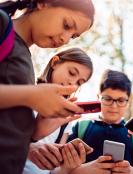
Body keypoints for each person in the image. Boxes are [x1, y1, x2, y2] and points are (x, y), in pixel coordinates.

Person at [0, 1, 95, 173]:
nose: (65, 39)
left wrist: (36, 132)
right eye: (66, 25)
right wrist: (30, 96)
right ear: (44, 3)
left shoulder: (25, 59)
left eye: (73, 37)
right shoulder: (2, 25)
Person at [53, 69, 133, 174]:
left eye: (121, 100)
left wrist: (131, 172)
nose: (114, 106)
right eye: (107, 99)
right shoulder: (80, 126)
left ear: (128, 101)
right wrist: (85, 170)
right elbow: (57, 170)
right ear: (98, 97)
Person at [23, 47, 94, 174]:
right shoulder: (23, 94)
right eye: (72, 73)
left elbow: (53, 171)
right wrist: (30, 142)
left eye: (79, 82)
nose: (72, 83)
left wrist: (66, 163)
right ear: (55, 62)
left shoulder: (66, 119)